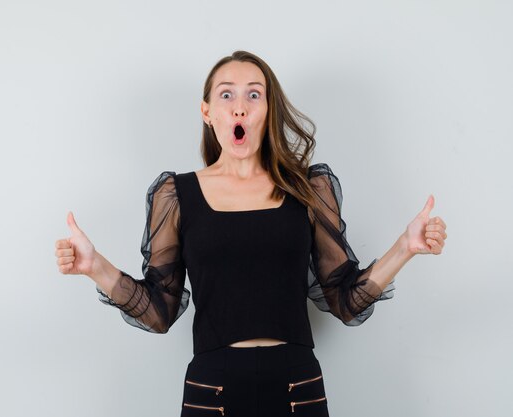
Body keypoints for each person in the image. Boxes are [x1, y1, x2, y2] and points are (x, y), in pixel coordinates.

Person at [54, 50, 447, 417]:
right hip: (212, 390)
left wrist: (406, 247)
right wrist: (95, 267)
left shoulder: (308, 189)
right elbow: (159, 311)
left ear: (268, 110)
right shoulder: (175, 195)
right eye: (227, 95)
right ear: (208, 112)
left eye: (253, 95)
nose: (239, 105)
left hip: (298, 386)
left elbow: (344, 300)